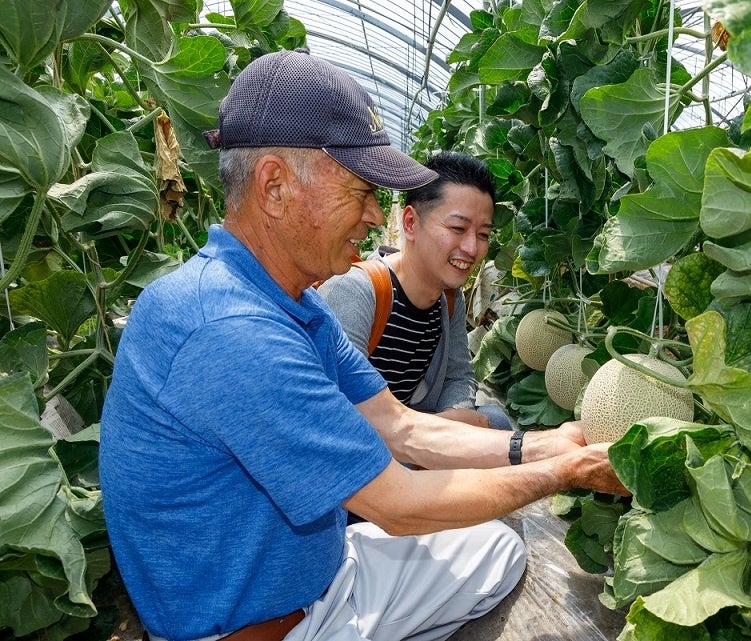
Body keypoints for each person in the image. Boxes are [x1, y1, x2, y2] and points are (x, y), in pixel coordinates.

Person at [99, 49, 626, 641]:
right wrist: (567, 470)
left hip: (320, 577)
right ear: (274, 186)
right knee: (465, 537)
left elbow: (400, 425)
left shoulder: (292, 302)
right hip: (261, 626)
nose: (376, 216)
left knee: (497, 551)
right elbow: (399, 505)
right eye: (360, 191)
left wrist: (545, 444)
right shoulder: (232, 330)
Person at [319, 151, 512, 430]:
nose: (472, 248)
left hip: (413, 429)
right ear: (410, 223)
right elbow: (342, 416)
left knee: (496, 420)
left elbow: (458, 376)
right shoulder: (354, 291)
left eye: (483, 234)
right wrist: (442, 432)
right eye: (458, 228)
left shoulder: (450, 299)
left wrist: (454, 417)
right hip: (363, 438)